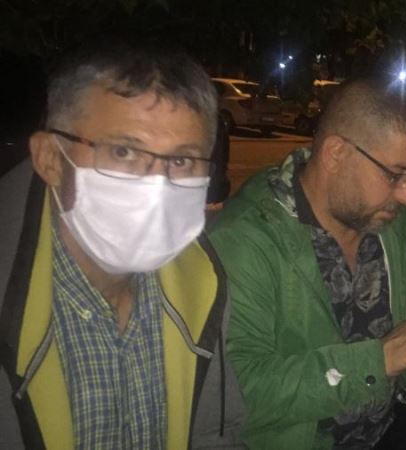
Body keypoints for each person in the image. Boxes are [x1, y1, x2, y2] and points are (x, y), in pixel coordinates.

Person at [209, 76, 406, 450]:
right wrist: (379, 360)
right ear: (335, 154)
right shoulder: (245, 239)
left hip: (384, 426)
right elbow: (239, 395)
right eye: (394, 175)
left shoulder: (393, 227)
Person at [0, 41, 245, 449]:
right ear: (50, 158)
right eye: (124, 151)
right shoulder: (10, 305)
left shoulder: (202, 286)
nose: (157, 185)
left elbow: (215, 433)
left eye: (181, 161)